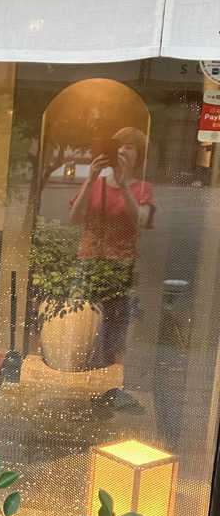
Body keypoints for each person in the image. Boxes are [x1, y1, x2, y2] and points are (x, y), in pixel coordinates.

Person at [69, 127, 155, 381]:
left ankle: (107, 381)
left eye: (129, 146)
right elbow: (75, 218)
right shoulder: (96, 184)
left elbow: (142, 221)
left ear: (139, 155)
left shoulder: (142, 188)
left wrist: (124, 186)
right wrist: (91, 178)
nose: (122, 151)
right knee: (86, 322)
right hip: (89, 262)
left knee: (115, 326)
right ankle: (82, 377)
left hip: (121, 265)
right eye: (118, 145)